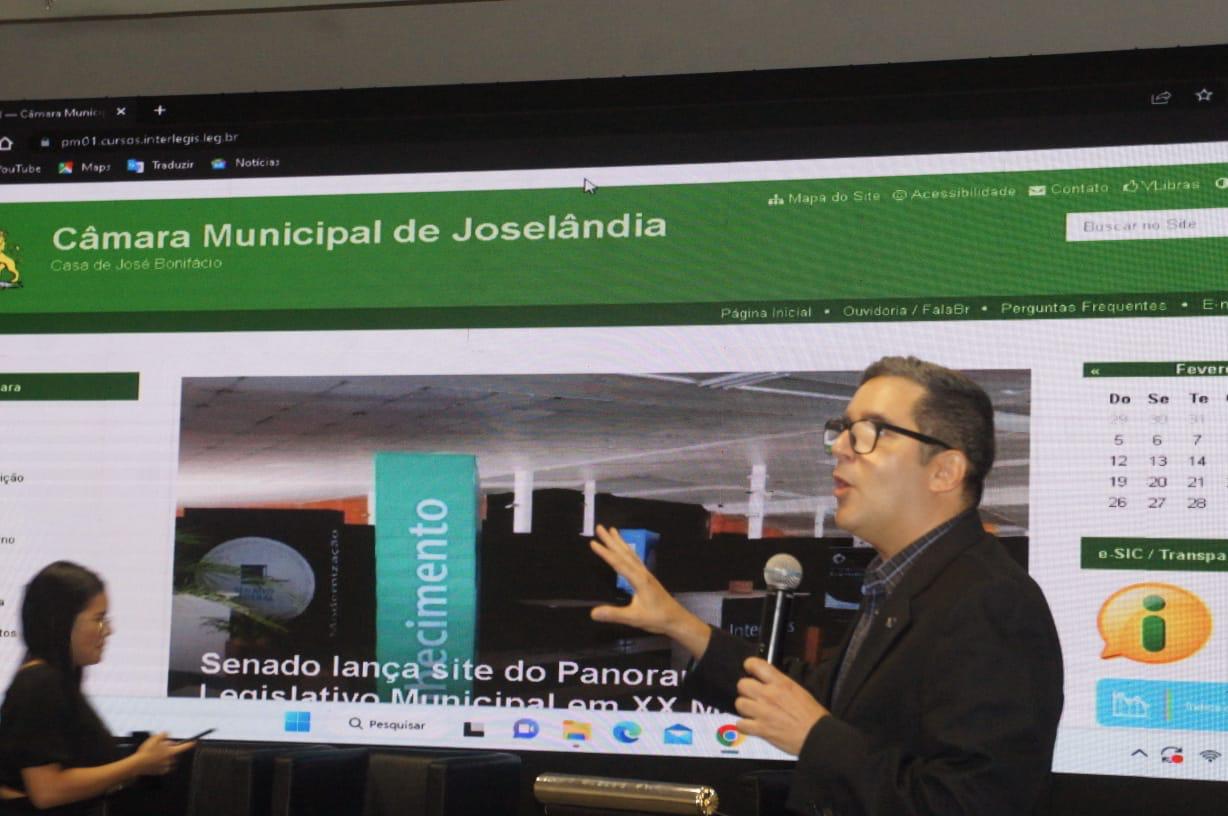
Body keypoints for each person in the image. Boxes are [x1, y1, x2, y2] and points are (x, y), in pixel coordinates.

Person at [590, 356, 1064, 816]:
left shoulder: (992, 602)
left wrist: (816, 737)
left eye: (871, 432)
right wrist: (680, 624)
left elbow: (973, 803)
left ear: (944, 471)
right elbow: (817, 697)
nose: (840, 447)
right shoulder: (901, 582)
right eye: (842, 430)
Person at [0, 562, 195, 815]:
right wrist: (138, 763)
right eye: (99, 619)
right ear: (61, 622)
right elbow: (47, 792)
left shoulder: (54, 681)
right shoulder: (39, 684)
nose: (108, 631)